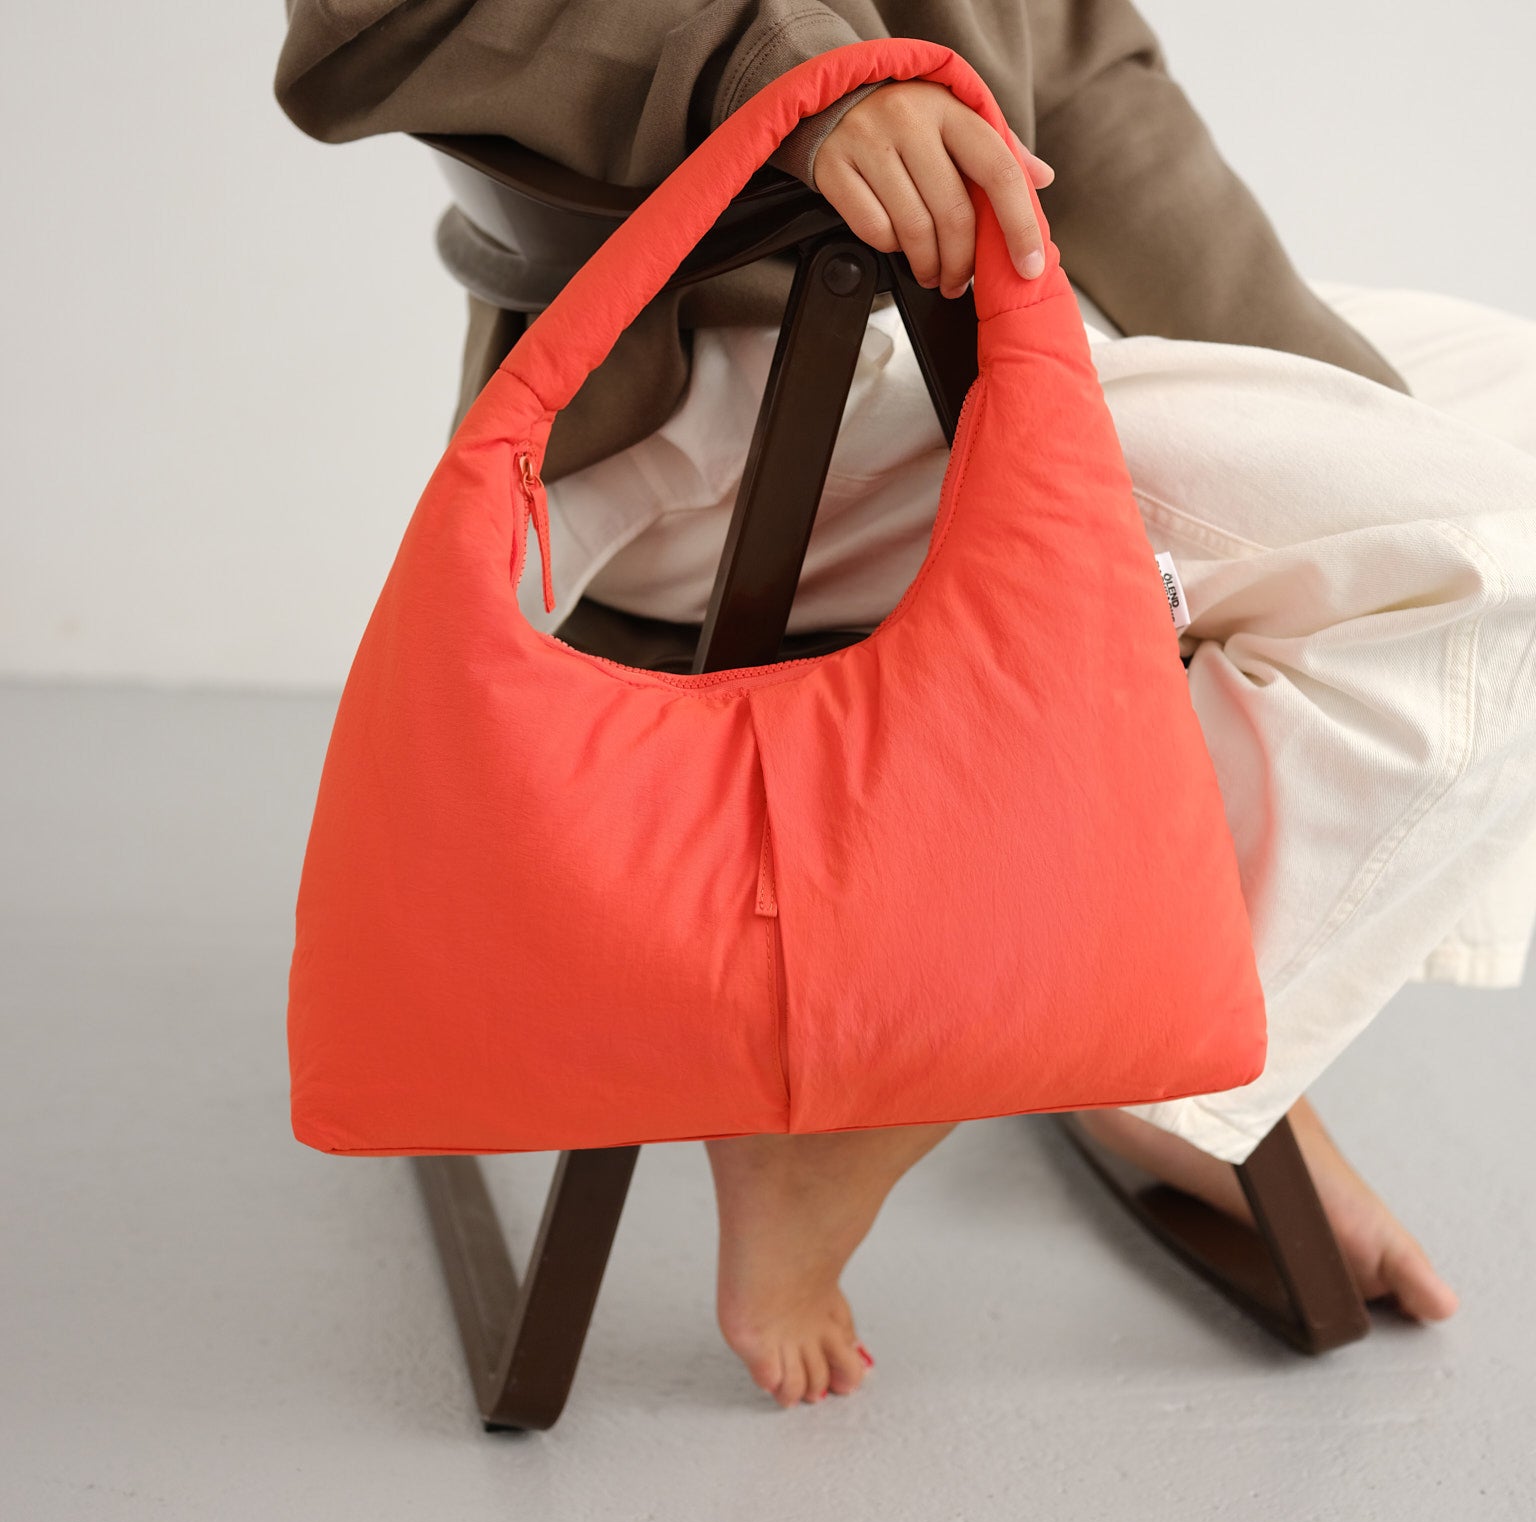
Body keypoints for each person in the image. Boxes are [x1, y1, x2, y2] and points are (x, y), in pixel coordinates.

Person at [274, 0, 1536, 1408]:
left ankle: (1150, 1033)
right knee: (1487, 558)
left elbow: (1075, 70)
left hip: (947, 319)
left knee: (1505, 424)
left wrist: (1350, 416)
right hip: (750, 387)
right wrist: (787, 75)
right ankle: (886, 1109)